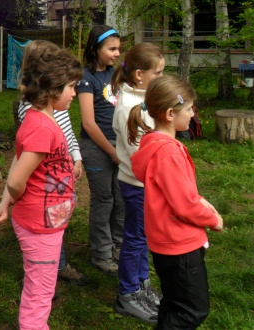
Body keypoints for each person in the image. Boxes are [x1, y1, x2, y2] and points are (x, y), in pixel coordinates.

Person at [0, 42, 83, 330]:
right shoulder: (42, 127)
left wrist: (5, 201)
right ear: (53, 89)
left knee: (42, 284)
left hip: (46, 222)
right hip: (40, 226)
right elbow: (17, 180)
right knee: (40, 290)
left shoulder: (42, 119)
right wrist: (14, 197)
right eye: (71, 87)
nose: (75, 93)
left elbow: (19, 163)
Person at [128, 75, 223, 329]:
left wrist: (201, 200)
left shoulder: (154, 143)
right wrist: (213, 219)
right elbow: (183, 205)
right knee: (192, 310)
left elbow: (178, 191)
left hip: (167, 242)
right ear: (171, 114)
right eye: (190, 109)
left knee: (174, 303)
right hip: (180, 246)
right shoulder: (168, 152)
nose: (193, 114)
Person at [16, 41, 88, 286]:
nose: (74, 92)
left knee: (54, 235)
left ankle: (51, 269)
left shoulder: (56, 105)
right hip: (44, 198)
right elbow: (22, 168)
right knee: (41, 277)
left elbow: (66, 133)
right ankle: (48, 273)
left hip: (57, 190)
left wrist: (75, 156)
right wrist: (16, 196)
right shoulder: (38, 117)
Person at [110, 42, 165, 323]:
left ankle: (142, 285)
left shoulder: (142, 101)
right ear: (140, 75)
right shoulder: (128, 107)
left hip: (148, 185)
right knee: (134, 239)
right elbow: (141, 157)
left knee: (143, 238)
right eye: (159, 73)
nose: (163, 78)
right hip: (138, 185)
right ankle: (128, 294)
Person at [76, 25, 124, 275]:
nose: (117, 53)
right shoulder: (86, 78)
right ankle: (102, 253)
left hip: (120, 145)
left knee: (121, 197)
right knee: (104, 199)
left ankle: (119, 247)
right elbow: (88, 123)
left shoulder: (117, 74)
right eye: (112, 49)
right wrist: (112, 152)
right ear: (95, 50)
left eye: (119, 49)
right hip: (97, 147)